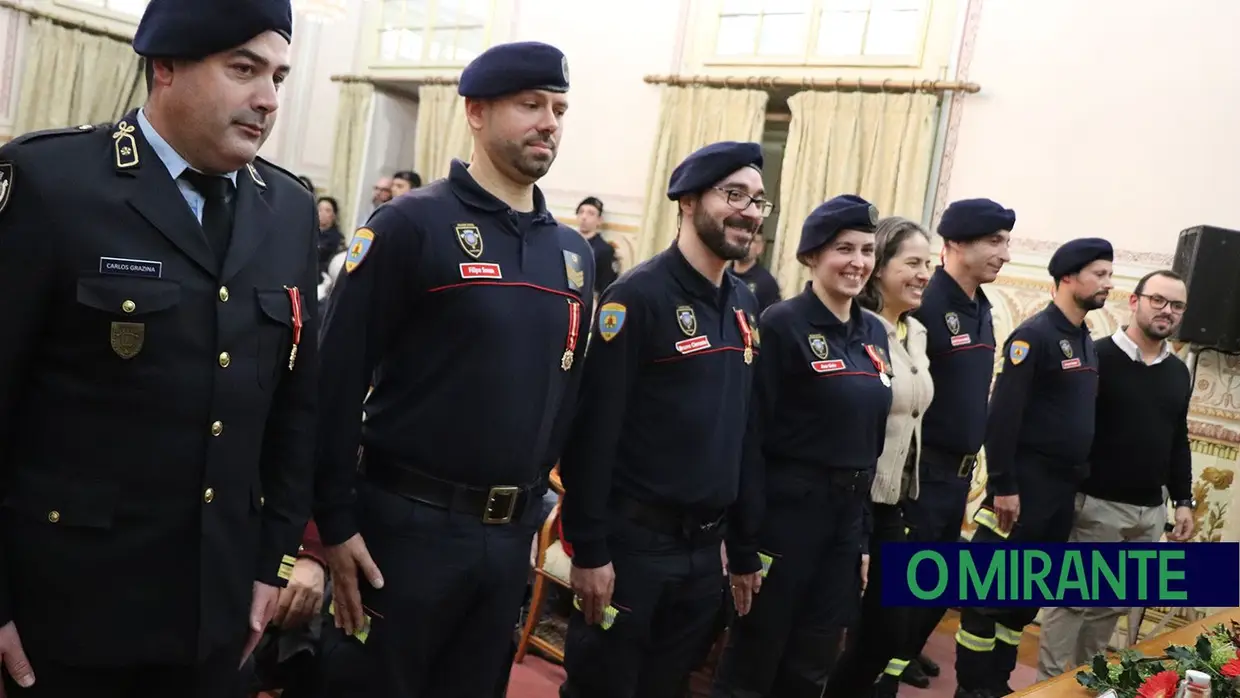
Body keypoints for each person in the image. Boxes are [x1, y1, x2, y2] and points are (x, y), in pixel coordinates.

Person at [0, 0, 319, 694]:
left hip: (220, 620)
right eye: (244, 69)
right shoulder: (54, 185)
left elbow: (297, 413)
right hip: (70, 615)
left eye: (279, 77)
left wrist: (274, 566)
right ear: (165, 68)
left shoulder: (289, 210)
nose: (267, 99)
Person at [314, 41, 593, 698]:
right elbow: (331, 384)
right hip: (402, 530)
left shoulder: (572, 254)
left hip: (508, 536)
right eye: (530, 104)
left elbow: (570, 396)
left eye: (558, 107)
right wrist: (330, 522)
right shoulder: (413, 224)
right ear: (475, 110)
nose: (550, 121)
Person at [558, 141, 766, 698]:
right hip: (633, 548)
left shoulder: (744, 304)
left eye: (758, 200)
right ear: (688, 202)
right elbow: (592, 435)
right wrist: (590, 548)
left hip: (705, 552)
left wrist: (742, 549)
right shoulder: (638, 296)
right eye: (734, 194)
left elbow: (744, 432)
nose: (749, 210)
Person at [711, 195, 893, 698]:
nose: (858, 262)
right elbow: (750, 440)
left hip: (843, 525)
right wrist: (744, 547)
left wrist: (860, 540)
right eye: (843, 249)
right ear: (812, 255)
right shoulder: (781, 324)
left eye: (866, 250)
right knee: (754, 660)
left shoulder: (873, 331)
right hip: (785, 520)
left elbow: (870, 444)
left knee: (812, 665)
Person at [953, 237, 1114, 698]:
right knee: (986, 601)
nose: (1107, 283)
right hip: (1021, 492)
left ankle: (998, 685)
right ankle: (971, 690)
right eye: (1099, 274)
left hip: (1058, 498)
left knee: (1020, 604)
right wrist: (1003, 484)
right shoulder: (1034, 336)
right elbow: (1002, 416)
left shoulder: (1085, 339)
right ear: (1068, 277)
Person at [1036, 269, 1195, 681]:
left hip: (1148, 514)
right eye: (1158, 300)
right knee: (1071, 601)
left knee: (1109, 606)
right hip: (1095, 505)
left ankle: (1085, 683)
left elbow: (1178, 438)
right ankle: (1048, 688)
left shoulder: (1178, 372)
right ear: (1135, 300)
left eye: (1176, 306)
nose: (1167, 311)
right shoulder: (1096, 357)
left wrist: (1183, 502)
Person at [901, 198, 1014, 688]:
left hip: (959, 472)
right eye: (994, 241)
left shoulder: (982, 307)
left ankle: (904, 651)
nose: (1005, 253)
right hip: (922, 468)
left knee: (935, 581)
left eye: (1006, 241)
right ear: (954, 245)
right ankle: (882, 666)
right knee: (907, 578)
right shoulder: (927, 303)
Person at [825, 216, 935, 698]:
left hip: (895, 503)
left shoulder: (917, 334)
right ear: (879, 268)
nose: (924, 274)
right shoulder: (859, 333)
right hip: (854, 501)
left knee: (890, 635)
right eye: (912, 262)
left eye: (928, 264)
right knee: (830, 631)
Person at [575, 196, 620, 299]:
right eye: (581, 212)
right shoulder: (567, 241)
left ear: (599, 220)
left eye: (590, 213)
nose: (584, 217)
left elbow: (608, 286)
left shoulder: (605, 250)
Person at [731, 230, 780, 312]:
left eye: (750, 240)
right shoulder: (721, 276)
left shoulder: (766, 283)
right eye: (740, 239)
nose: (744, 243)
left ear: (759, 248)